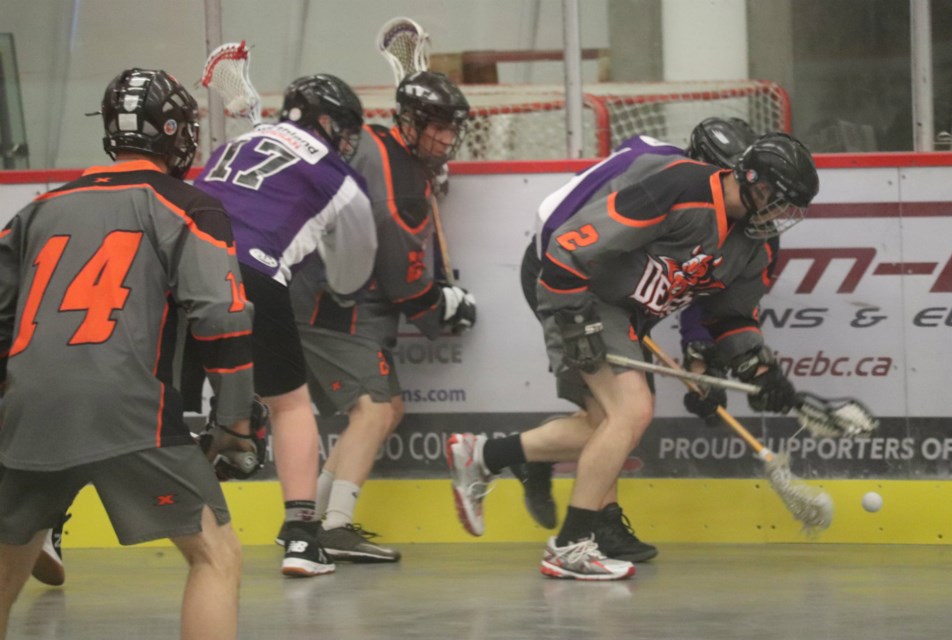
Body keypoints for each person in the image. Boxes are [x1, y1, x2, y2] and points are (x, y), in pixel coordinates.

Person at [447, 130, 819, 580]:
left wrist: (760, 370)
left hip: (628, 316)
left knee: (606, 427)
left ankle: (483, 455)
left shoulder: (751, 245)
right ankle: (570, 545)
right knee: (634, 409)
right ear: (757, 182)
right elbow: (569, 245)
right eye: (780, 200)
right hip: (586, 296)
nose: (782, 214)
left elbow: (728, 318)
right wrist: (573, 318)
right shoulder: (680, 185)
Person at [0, 68, 256, 639]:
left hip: (28, 411)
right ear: (172, 132)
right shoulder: (191, 206)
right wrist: (236, 425)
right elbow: (223, 318)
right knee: (216, 555)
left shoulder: (37, 210)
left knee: (4, 567)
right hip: (130, 411)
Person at [510, 118, 768, 539]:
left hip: (616, 290)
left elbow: (699, 273)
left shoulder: (723, 207)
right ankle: (598, 526)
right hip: (564, 274)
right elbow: (559, 227)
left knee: (615, 415)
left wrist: (700, 358)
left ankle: (581, 507)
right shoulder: (656, 168)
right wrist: (579, 308)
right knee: (619, 412)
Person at [284, 70, 475, 562]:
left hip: (314, 291)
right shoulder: (400, 181)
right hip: (334, 300)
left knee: (385, 410)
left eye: (452, 127)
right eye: (436, 126)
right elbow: (403, 276)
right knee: (374, 408)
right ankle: (333, 529)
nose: (446, 137)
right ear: (409, 123)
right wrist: (440, 309)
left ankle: (309, 524)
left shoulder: (375, 142)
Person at [194, 74, 377, 577]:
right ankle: (301, 538)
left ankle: (49, 523)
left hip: (176, 263)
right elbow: (351, 277)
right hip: (252, 271)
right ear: (325, 122)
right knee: (290, 403)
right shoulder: (338, 176)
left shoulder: (237, 141)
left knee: (154, 399)